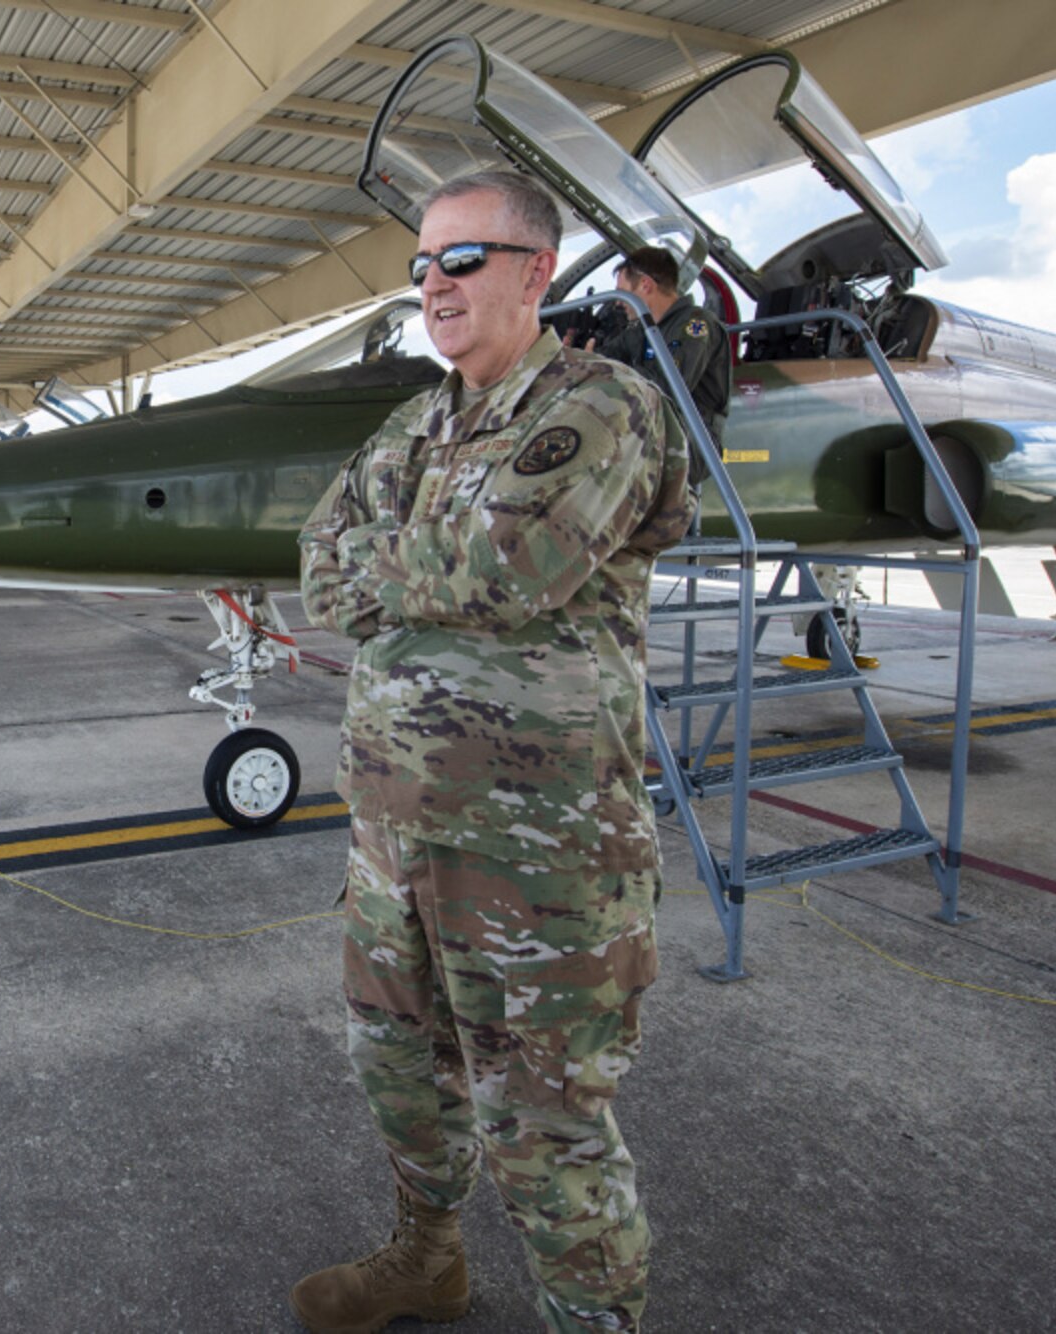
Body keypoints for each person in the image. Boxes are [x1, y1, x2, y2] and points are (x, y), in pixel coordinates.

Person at [293, 171, 694, 1334]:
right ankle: (425, 1255)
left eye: (458, 260)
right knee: (397, 1075)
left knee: (545, 1124)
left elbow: (510, 567)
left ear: (531, 270)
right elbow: (319, 560)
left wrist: (401, 564)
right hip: (393, 843)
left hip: (541, 851)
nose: (431, 284)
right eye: (418, 265)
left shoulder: (601, 404)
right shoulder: (417, 420)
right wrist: (417, 562)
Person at [590, 245, 731, 479]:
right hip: (655, 430)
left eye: (622, 292)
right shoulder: (642, 330)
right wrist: (581, 356)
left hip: (691, 442)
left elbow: (666, 388)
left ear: (645, 285)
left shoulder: (695, 325)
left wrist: (605, 370)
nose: (617, 302)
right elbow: (607, 357)